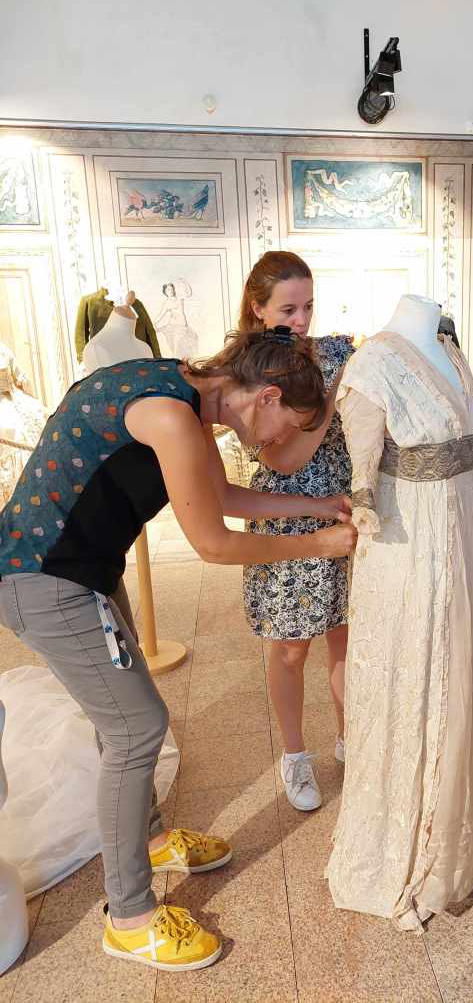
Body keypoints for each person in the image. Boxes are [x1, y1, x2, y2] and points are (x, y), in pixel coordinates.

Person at [0, 328, 355, 970]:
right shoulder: (172, 415)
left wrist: (314, 505)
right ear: (266, 394)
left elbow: (219, 497)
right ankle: (130, 918)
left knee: (125, 721)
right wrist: (318, 543)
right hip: (45, 580)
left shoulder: (183, 390)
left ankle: (155, 839)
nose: (281, 441)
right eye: (287, 424)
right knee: (138, 732)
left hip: (81, 571)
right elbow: (215, 542)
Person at [326, 295, 473, 932]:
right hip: (411, 539)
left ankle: (470, 820)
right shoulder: (373, 363)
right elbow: (362, 464)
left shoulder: (450, 346)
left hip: (464, 522)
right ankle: (416, 839)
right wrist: (362, 504)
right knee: (423, 668)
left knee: (467, 663)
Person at [241, 252, 354, 812]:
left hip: (343, 509)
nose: (302, 319)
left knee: (346, 636)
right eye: (288, 308)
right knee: (290, 647)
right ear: (258, 308)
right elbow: (283, 461)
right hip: (285, 514)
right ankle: (294, 755)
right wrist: (329, 404)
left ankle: (349, 738)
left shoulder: (336, 350)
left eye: (308, 305)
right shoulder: (250, 369)